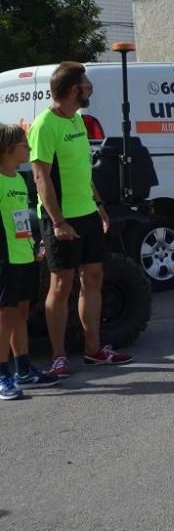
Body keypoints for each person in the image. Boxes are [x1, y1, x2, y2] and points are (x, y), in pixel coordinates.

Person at [28, 62, 132, 378]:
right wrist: (58, 222)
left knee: (94, 278)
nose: (89, 87)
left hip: (86, 214)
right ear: (74, 89)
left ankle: (94, 350)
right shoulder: (45, 125)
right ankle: (59, 358)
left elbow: (81, 170)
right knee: (61, 285)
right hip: (61, 219)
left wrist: (98, 205)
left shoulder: (77, 120)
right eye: (86, 83)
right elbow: (40, 177)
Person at [0, 125, 59, 400]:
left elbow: (21, 220)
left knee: (21, 312)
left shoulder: (19, 179)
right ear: (7, 149)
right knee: (5, 317)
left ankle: (23, 370)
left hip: (24, 257)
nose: (29, 149)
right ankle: (2, 376)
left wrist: (32, 246)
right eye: (24, 145)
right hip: (5, 260)